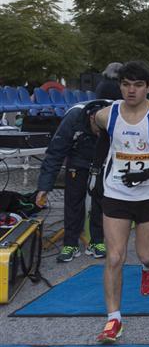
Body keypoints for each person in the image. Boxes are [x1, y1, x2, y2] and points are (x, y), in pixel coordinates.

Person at [92, 61, 149, 344]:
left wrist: (147, 173)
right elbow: (103, 148)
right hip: (116, 191)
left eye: (138, 85)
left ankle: (148, 268)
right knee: (115, 257)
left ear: (148, 88)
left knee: (144, 254)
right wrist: (95, 177)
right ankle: (113, 319)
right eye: (126, 84)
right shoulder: (107, 116)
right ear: (120, 86)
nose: (131, 91)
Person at [36, 100, 110, 262]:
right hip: (78, 158)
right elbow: (55, 153)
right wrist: (44, 188)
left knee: (101, 199)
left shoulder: (113, 116)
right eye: (99, 130)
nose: (101, 133)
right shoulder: (74, 118)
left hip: (103, 159)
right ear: (91, 118)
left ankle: (97, 241)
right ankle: (70, 244)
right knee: (73, 200)